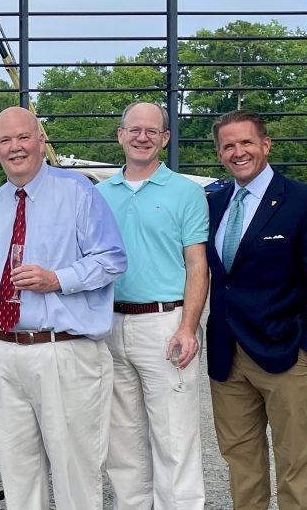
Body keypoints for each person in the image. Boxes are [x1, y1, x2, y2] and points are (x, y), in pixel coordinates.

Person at [0, 106, 126, 510]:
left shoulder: (77, 190)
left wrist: (57, 279)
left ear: (41, 141)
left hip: (62, 349)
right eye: (5, 140)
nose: (15, 147)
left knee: (74, 471)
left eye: (23, 137)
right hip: (5, 349)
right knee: (17, 471)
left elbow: (112, 258)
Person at [206, 109, 307, 510]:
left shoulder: (306, 202)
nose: (238, 152)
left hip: (287, 353)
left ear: (266, 144)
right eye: (228, 145)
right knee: (240, 463)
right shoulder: (214, 205)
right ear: (219, 154)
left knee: (294, 463)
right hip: (226, 356)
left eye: (246, 142)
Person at [97, 102, 209, 509]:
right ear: (120, 135)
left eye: (152, 131)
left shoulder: (186, 192)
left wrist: (188, 327)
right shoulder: (98, 194)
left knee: (174, 436)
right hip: (109, 325)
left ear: (164, 138)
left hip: (165, 323)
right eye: (134, 129)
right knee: (122, 441)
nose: (142, 137)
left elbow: (197, 265)